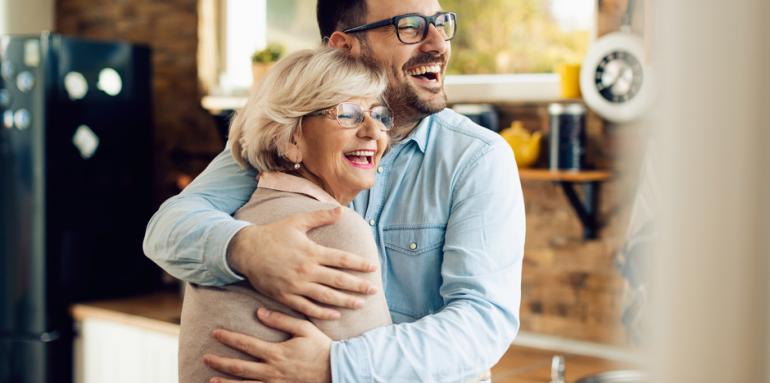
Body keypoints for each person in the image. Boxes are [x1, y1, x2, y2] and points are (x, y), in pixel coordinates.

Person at [144, 0, 526, 381]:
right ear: (345, 47)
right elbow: (166, 229)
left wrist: (337, 365)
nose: (438, 42)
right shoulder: (291, 137)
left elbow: (483, 321)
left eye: (440, 23)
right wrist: (247, 249)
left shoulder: (477, 158)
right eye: (410, 27)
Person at [178, 48, 393, 382]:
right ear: (292, 137)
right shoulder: (336, 228)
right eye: (348, 114)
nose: (373, 131)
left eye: (379, 115)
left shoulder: (233, 217)